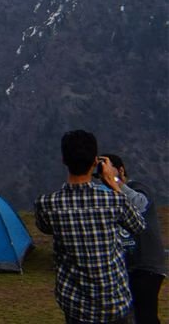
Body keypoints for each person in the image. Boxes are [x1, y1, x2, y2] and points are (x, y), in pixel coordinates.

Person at [35, 131, 146, 324]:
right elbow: (138, 226)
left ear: (64, 160)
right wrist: (114, 183)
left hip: (77, 306)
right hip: (115, 302)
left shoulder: (47, 204)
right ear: (96, 162)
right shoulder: (114, 200)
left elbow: (45, 227)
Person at [102, 154, 163, 324]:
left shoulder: (137, 187)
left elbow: (140, 204)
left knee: (145, 315)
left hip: (146, 264)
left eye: (109, 169)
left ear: (121, 170)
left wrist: (115, 183)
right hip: (126, 266)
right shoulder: (111, 198)